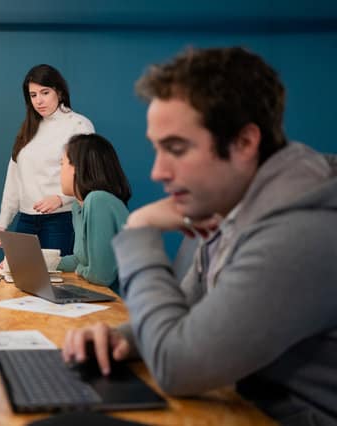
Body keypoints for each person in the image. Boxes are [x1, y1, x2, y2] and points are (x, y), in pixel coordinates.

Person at [63, 47, 337, 424]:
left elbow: (176, 366)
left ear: (244, 143)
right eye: (156, 149)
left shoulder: (300, 233)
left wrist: (139, 231)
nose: (158, 171)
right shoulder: (230, 210)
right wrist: (125, 337)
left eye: (176, 148)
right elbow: (192, 316)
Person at [0, 64, 94, 256]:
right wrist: (3, 223)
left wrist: (61, 198)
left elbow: (89, 175)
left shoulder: (78, 125)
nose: (39, 101)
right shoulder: (28, 130)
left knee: (56, 281)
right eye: (33, 95)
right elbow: (14, 179)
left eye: (45, 92)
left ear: (59, 92)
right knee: (21, 280)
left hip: (61, 219)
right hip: (26, 219)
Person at [56, 133, 131, 290]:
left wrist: (80, 271)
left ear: (77, 168)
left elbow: (100, 276)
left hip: (123, 306)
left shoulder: (98, 200)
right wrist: (36, 261)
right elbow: (80, 259)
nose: (59, 172)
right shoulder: (79, 207)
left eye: (62, 164)